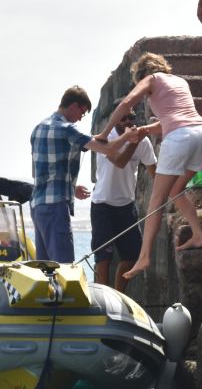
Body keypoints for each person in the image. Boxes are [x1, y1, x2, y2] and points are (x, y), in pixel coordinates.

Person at [99, 53, 202, 281]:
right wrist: (145, 130)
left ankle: (144, 256)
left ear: (143, 74)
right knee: (176, 191)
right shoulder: (180, 82)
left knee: (156, 199)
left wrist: (104, 133)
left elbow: (126, 103)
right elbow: (174, 119)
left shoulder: (151, 79)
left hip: (180, 139)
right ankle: (198, 235)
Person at [30, 86, 138, 264]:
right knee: (64, 268)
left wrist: (71, 188)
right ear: (73, 106)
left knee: (44, 269)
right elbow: (108, 149)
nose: (82, 117)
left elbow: (41, 172)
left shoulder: (39, 128)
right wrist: (127, 137)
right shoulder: (68, 129)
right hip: (56, 208)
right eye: (82, 112)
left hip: (37, 206)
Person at [90, 102, 157, 293]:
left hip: (126, 205)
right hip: (102, 204)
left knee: (132, 255)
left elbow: (155, 172)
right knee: (103, 257)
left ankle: (118, 295)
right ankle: (103, 295)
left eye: (132, 117)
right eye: (124, 118)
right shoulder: (104, 140)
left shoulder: (143, 142)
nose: (129, 121)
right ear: (115, 119)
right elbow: (120, 161)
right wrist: (132, 141)